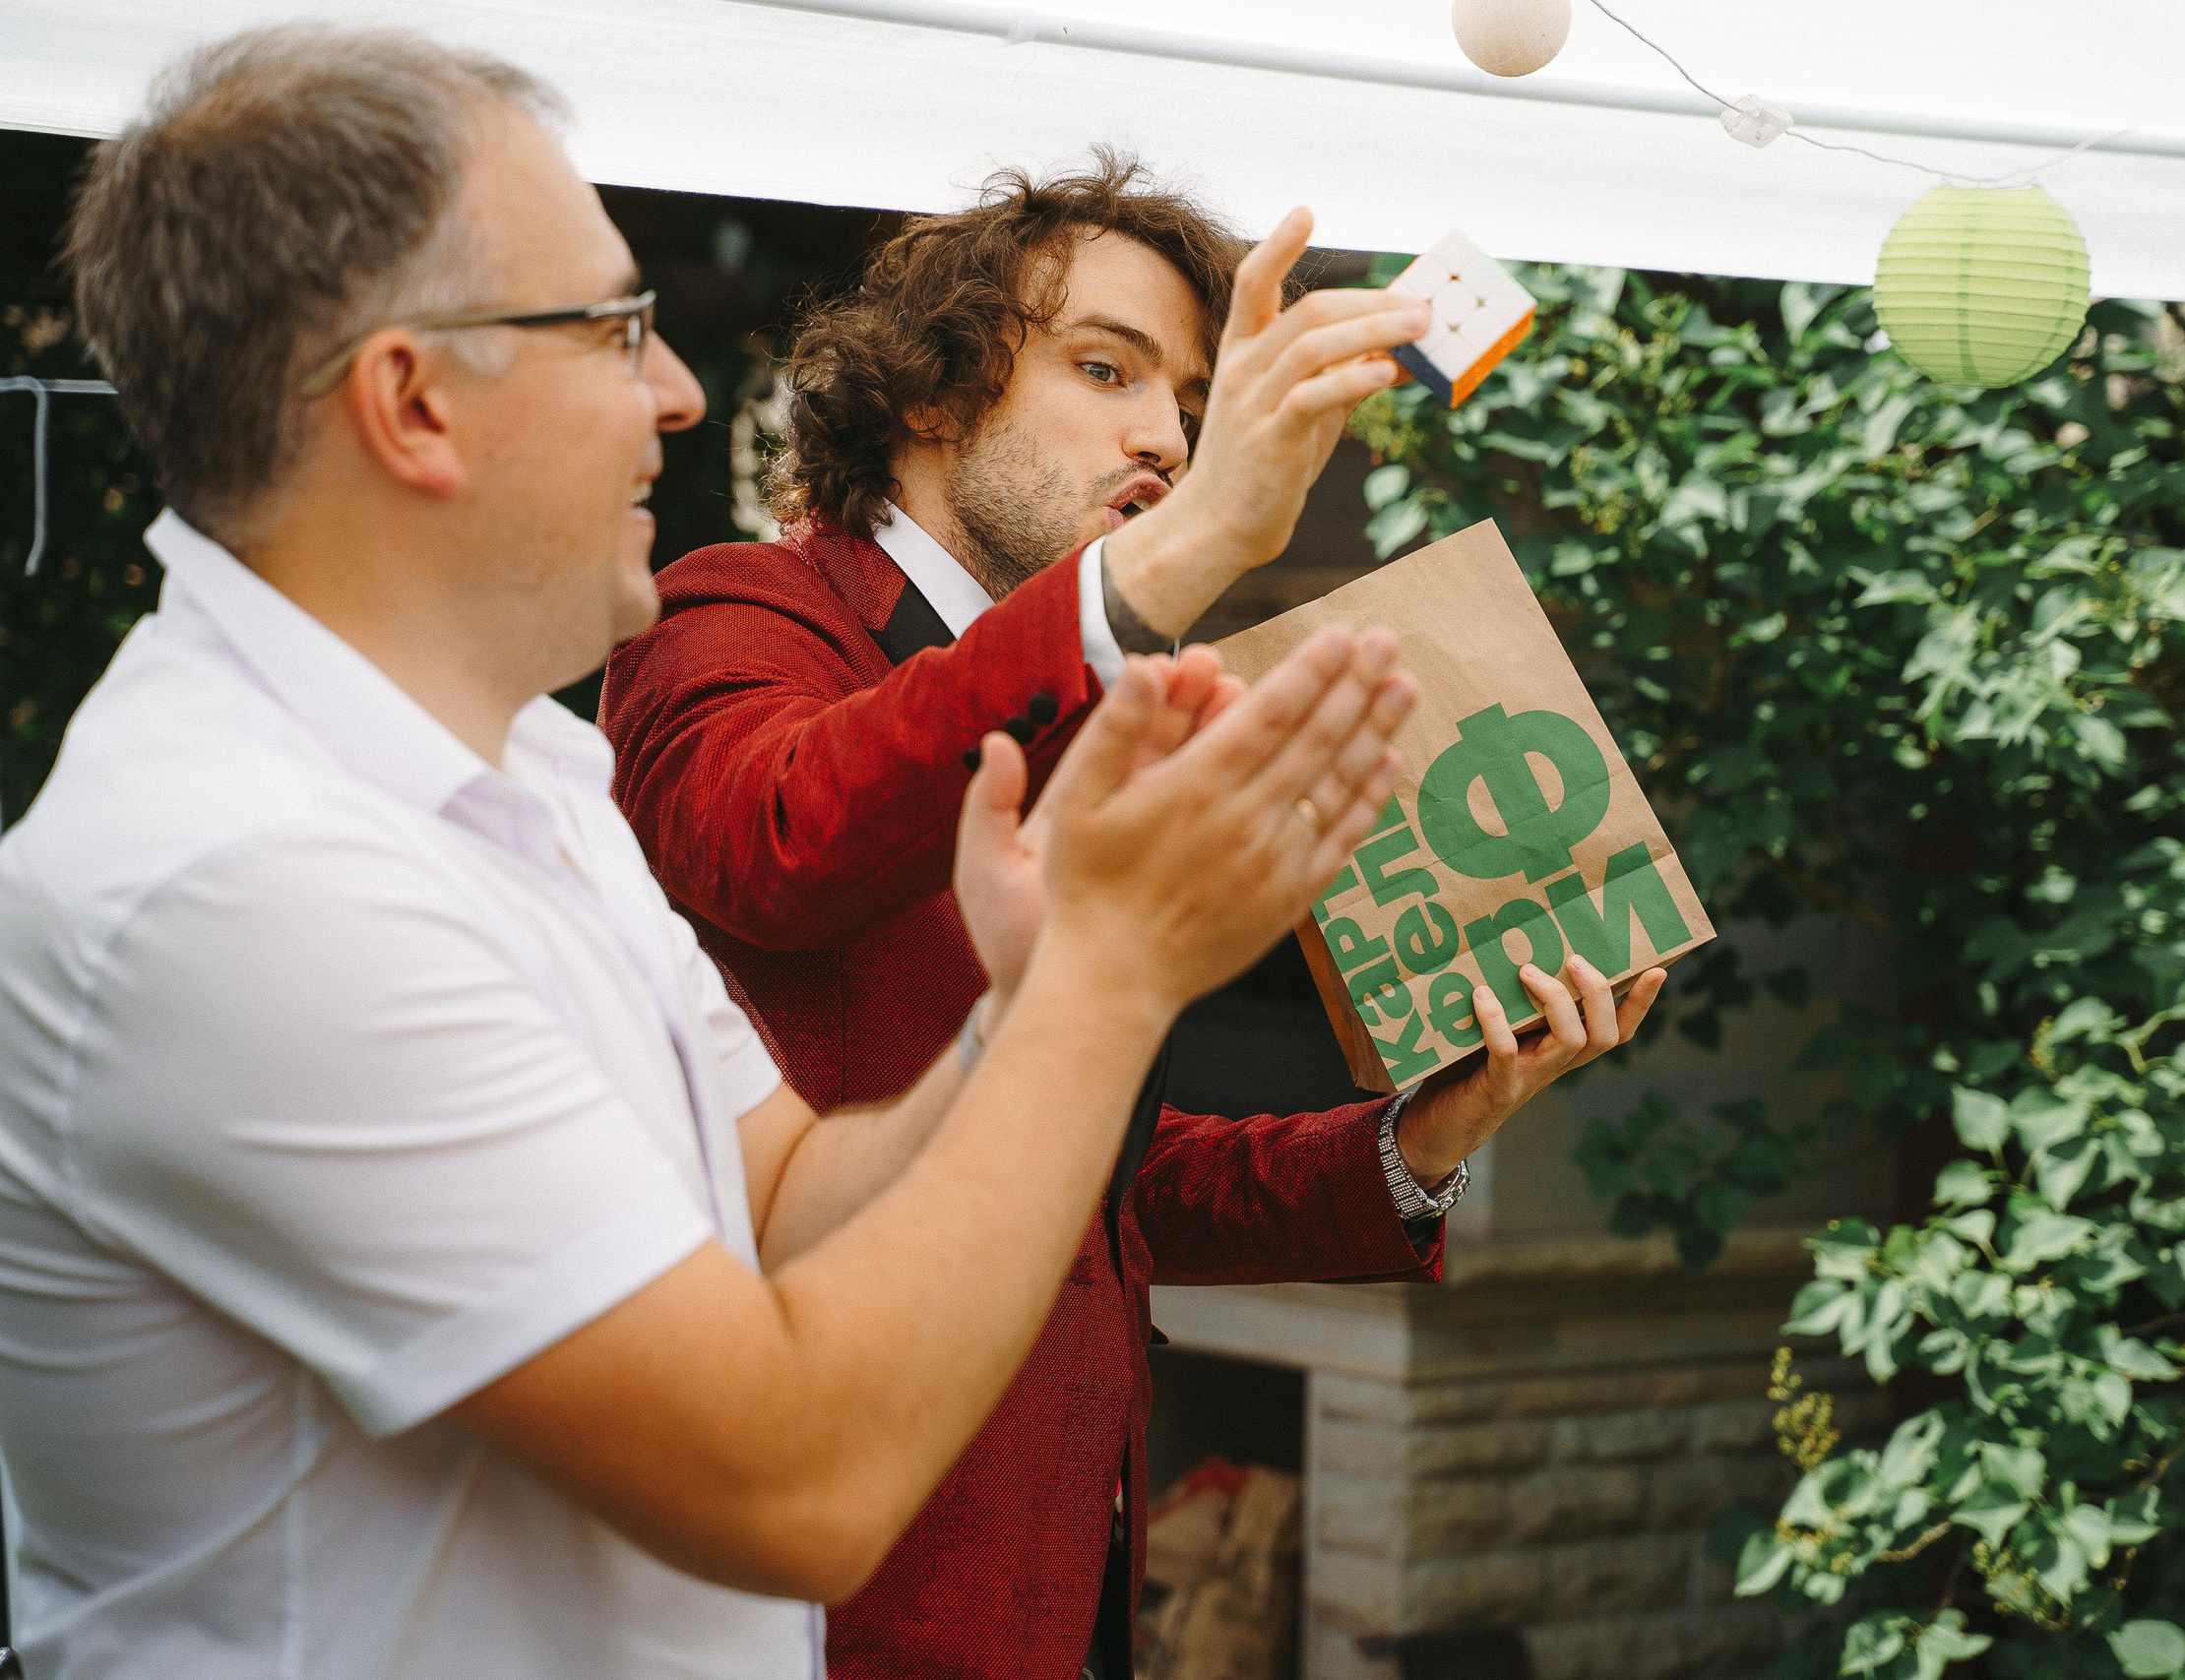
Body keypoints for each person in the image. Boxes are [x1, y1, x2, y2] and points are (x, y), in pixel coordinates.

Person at [0, 28, 1420, 1679]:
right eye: (612, 329)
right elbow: (792, 1484)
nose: (676, 392)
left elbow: (793, 1195)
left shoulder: (531, 780)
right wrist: (1110, 971)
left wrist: (1044, 992)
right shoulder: (246, 889)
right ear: (412, 402)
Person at [598, 155, 1667, 1677]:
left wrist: (1426, 1136)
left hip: (1062, 1585)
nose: (1166, 435)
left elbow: (1109, 1185)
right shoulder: (739, 609)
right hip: (838, 1602)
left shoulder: (1094, 706)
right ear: (929, 392)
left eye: (1189, 397)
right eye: (1107, 369)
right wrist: (1182, 549)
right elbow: (781, 836)